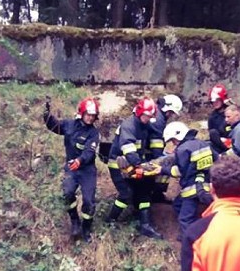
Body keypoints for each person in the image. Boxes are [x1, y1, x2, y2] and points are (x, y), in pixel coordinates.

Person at [43, 96, 101, 243]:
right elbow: (54, 126)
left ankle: (86, 227)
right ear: (81, 113)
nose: (90, 118)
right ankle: (74, 220)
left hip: (87, 169)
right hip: (71, 167)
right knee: (67, 193)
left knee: (89, 201)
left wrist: (80, 160)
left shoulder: (94, 133)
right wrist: (46, 114)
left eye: (93, 116)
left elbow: (89, 151)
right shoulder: (69, 125)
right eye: (88, 115)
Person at [105, 97, 163, 239]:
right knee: (126, 194)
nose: (147, 119)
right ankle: (110, 220)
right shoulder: (129, 125)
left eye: (150, 117)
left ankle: (145, 225)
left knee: (144, 190)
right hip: (118, 165)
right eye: (146, 116)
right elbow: (128, 148)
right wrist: (140, 165)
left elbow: (155, 137)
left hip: (134, 164)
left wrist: (156, 159)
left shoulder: (146, 125)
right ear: (139, 112)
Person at [160, 121, 215, 237]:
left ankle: (191, 242)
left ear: (178, 136)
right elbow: (217, 159)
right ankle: (195, 230)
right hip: (206, 185)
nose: (174, 144)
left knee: (185, 219)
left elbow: (179, 171)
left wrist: (162, 169)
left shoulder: (183, 150)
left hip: (191, 189)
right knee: (177, 204)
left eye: (173, 140)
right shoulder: (204, 144)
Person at [151, 94, 183, 204]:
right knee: (163, 166)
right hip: (151, 152)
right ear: (167, 108)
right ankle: (157, 195)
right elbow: (156, 141)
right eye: (171, 112)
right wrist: (159, 156)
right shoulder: (159, 119)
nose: (171, 115)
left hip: (147, 150)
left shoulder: (157, 114)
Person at [207, 84, 233, 155]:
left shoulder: (232, 111)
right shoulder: (212, 117)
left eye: (217, 100)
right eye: (213, 101)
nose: (215, 103)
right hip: (220, 146)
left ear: (222, 99)